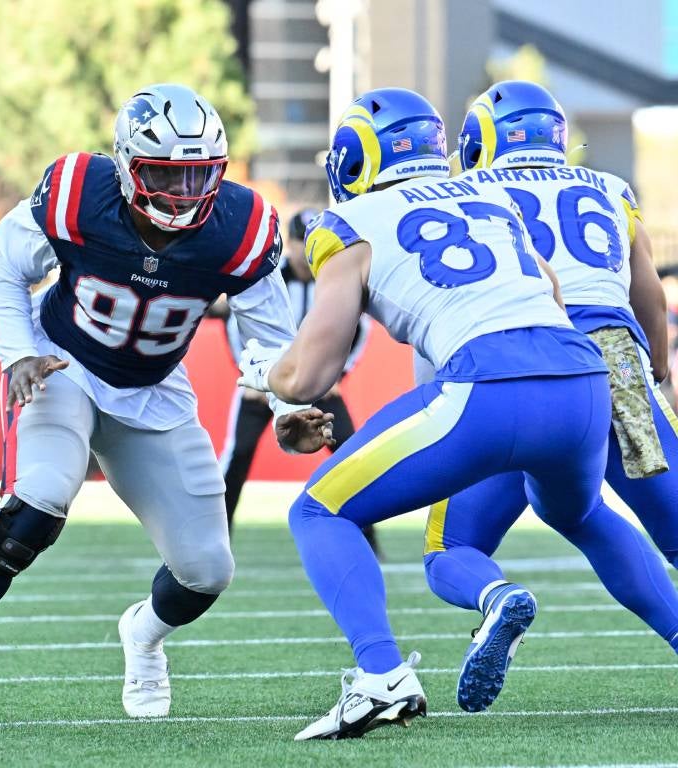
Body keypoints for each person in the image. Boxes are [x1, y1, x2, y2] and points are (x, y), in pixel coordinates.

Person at [0, 83, 332, 730]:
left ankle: (143, 633)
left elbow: (271, 340)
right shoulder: (78, 193)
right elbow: (5, 267)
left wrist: (285, 397)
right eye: (166, 176)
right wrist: (17, 355)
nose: (184, 193)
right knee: (37, 499)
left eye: (200, 175)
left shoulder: (242, 227)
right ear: (126, 166)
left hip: (152, 389)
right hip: (63, 364)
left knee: (206, 570)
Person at [238, 87, 678, 741]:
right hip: (587, 377)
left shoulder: (346, 224)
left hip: (488, 382)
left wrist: (269, 377)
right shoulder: (492, 200)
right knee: (583, 514)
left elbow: (312, 371)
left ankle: (384, 674)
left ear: (354, 157)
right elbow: (555, 291)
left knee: (321, 510)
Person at [417, 81, 678, 713]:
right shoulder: (609, 189)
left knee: (452, 547)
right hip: (615, 363)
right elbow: (648, 294)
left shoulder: (471, 194)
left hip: (520, 363)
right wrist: (659, 373)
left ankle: (497, 597)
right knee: (641, 523)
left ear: (482, 141)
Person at [219, 207, 375, 546]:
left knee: (350, 453)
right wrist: (255, 377)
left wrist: (338, 374)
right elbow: (238, 326)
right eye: (298, 242)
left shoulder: (331, 277)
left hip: (316, 385)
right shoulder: (271, 276)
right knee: (238, 453)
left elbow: (359, 328)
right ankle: (216, 537)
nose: (305, 253)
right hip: (266, 384)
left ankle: (367, 537)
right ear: (287, 243)